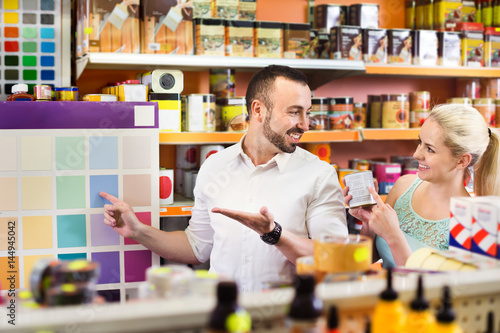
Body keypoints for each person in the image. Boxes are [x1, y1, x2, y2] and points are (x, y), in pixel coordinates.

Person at [101, 65, 347, 292]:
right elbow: (196, 247)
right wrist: (138, 231)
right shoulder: (215, 166)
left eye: (308, 113)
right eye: (295, 112)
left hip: (285, 318)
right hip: (223, 315)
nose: (305, 124)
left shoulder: (318, 175)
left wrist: (274, 234)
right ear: (258, 110)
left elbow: (334, 258)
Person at [344, 103, 500, 268]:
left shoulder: (469, 220)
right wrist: (368, 223)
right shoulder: (403, 186)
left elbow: (442, 289)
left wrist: (394, 236)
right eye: (420, 142)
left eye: (430, 149)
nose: (416, 154)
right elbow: (365, 259)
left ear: (462, 160)